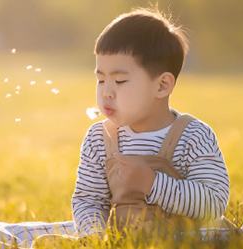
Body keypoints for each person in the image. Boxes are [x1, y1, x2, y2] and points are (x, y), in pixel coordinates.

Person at [71, 8, 230, 238]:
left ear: (162, 85)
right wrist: (93, 235)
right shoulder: (99, 139)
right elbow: (89, 200)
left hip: (186, 240)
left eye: (119, 80)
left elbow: (213, 204)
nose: (106, 92)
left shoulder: (193, 136)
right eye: (100, 79)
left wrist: (152, 183)